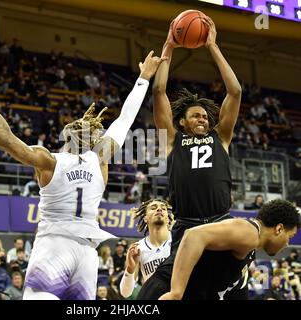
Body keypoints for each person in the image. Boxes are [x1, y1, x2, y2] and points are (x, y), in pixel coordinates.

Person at [0, 51, 166, 300]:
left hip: (63, 247)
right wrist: (143, 79)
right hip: (79, 250)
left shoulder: (57, 160)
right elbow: (124, 120)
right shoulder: (82, 159)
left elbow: (6, 140)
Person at [137, 16, 242, 300]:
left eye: (205, 116)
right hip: (186, 225)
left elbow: (235, 91)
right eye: (196, 115)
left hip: (221, 222)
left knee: (227, 291)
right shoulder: (173, 140)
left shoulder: (221, 137)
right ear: (181, 121)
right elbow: (158, 91)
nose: (203, 119)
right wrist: (168, 46)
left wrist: (213, 46)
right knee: (158, 290)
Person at [158, 199, 300, 300]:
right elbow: (193, 235)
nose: (287, 244)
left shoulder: (251, 244)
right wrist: (176, 292)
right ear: (279, 228)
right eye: (290, 236)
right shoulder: (251, 233)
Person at [120, 199, 172, 298]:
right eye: (153, 208)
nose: (159, 209)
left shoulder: (178, 240)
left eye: (163, 208)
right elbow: (125, 293)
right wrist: (130, 268)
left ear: (167, 219)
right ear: (145, 218)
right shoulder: (138, 248)